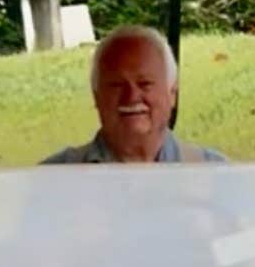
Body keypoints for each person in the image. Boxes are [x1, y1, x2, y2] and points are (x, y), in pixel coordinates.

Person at [41, 24, 226, 164]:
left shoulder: (215, 174)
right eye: (117, 85)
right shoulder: (54, 178)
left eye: (145, 84)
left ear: (172, 94)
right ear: (96, 96)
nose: (131, 96)